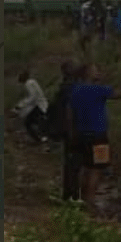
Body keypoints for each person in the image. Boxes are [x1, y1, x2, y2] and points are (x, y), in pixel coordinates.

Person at [69, 63, 121, 206]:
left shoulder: (76, 90)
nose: (99, 72)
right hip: (99, 136)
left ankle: (80, 199)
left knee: (85, 167)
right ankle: (91, 201)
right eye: (95, 70)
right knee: (97, 168)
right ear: (88, 74)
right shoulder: (99, 90)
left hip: (81, 135)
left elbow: (71, 114)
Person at [45, 61, 82, 201]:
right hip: (74, 130)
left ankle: (69, 194)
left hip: (69, 131)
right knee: (75, 164)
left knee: (71, 163)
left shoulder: (64, 87)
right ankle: (73, 195)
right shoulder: (71, 88)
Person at [14, 69, 50, 144]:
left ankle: (40, 139)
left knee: (28, 122)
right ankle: (42, 138)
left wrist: (21, 105)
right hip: (40, 105)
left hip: (39, 106)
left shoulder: (28, 84)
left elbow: (32, 97)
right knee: (37, 122)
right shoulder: (32, 82)